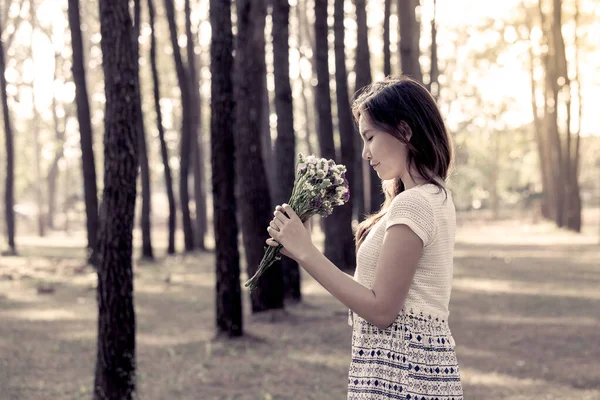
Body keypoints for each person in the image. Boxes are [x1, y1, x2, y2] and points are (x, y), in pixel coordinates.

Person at [266, 76, 463, 399]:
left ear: (405, 131)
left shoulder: (414, 203)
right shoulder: (431, 197)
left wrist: (307, 252)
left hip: (404, 376)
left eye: (370, 137)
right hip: (403, 370)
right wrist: (295, 245)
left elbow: (381, 310)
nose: (365, 153)